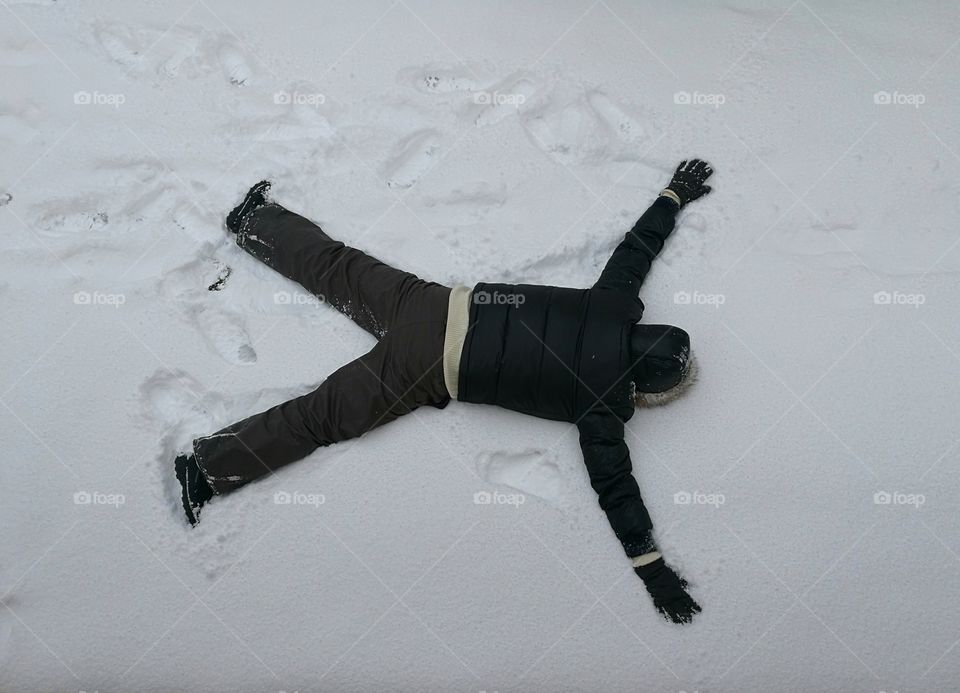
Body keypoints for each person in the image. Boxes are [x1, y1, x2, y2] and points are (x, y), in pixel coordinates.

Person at [174, 159, 714, 623]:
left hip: (433, 304)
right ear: (644, 388)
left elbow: (636, 249)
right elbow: (616, 488)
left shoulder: (614, 304)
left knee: (340, 269)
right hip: (425, 368)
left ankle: (254, 221)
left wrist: (674, 194)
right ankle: (208, 468)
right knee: (323, 417)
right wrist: (651, 569)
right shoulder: (602, 408)